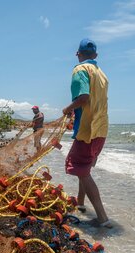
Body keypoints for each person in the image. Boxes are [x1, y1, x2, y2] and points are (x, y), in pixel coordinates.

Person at [62, 38, 111, 228]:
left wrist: (67, 109)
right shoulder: (102, 74)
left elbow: (83, 98)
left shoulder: (80, 69)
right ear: (96, 56)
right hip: (101, 128)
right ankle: (80, 203)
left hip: (87, 129)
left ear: (78, 54)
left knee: (80, 169)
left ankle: (102, 218)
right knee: (86, 168)